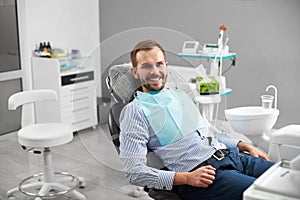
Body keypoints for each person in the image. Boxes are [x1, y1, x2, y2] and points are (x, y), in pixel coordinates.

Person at [119, 40, 274, 200]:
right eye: (146, 66)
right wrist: (187, 178)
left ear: (166, 66)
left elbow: (207, 133)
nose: (155, 71)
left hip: (233, 157)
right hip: (203, 175)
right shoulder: (135, 111)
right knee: (268, 196)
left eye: (159, 64)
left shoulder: (180, 96)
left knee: (289, 178)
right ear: (135, 72)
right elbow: (134, 172)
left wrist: (244, 145)